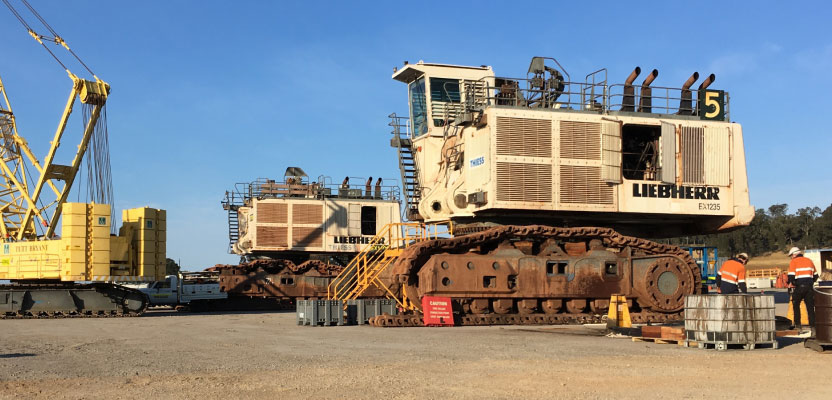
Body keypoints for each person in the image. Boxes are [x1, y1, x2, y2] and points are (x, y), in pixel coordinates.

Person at [787, 246, 818, 333]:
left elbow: (791, 278)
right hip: (809, 288)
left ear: (794, 255)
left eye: (791, 256)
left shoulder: (794, 262)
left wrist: (793, 283)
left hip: (799, 287)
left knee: (796, 305)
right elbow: (816, 276)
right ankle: (813, 327)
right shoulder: (809, 261)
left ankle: (798, 326)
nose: (791, 258)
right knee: (810, 308)